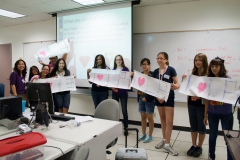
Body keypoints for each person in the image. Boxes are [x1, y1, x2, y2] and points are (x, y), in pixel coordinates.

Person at [203, 57, 233, 160]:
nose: (214, 68)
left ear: (221, 67)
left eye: (217, 66)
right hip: (212, 113)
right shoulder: (208, 80)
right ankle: (212, 156)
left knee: (228, 139)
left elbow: (232, 95)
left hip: (226, 113)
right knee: (212, 136)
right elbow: (206, 99)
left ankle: (230, 158)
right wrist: (205, 115)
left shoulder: (228, 80)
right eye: (212, 66)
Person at [154, 52, 180, 156]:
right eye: (158, 58)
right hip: (158, 98)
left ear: (166, 60)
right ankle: (164, 140)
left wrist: (176, 86)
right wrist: (157, 97)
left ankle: (168, 145)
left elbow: (177, 83)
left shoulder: (171, 69)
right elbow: (153, 87)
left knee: (169, 121)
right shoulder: (155, 72)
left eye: (162, 58)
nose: (159, 60)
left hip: (168, 98)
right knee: (163, 119)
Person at [182, 53, 208, 157]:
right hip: (191, 104)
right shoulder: (191, 74)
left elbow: (208, 93)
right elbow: (187, 89)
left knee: (201, 126)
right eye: (196, 60)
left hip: (202, 106)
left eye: (200, 60)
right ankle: (193, 145)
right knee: (193, 126)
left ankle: (199, 147)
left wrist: (200, 97)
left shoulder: (207, 75)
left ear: (204, 61)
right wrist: (184, 79)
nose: (197, 62)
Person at [137, 58, 155, 143]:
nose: (144, 66)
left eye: (146, 64)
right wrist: (141, 96)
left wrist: (147, 97)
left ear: (149, 65)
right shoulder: (139, 75)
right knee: (143, 117)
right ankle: (143, 134)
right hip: (141, 98)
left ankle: (150, 135)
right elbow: (138, 87)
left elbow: (154, 89)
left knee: (150, 118)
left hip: (150, 99)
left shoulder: (152, 75)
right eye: (143, 64)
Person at [112, 55, 129, 130]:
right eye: (117, 60)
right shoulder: (113, 70)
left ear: (122, 61)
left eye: (119, 59)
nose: (118, 61)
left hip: (123, 92)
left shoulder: (126, 69)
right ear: (115, 61)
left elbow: (127, 81)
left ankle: (126, 127)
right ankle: (115, 127)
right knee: (115, 110)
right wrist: (112, 87)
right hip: (114, 92)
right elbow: (111, 81)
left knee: (124, 110)